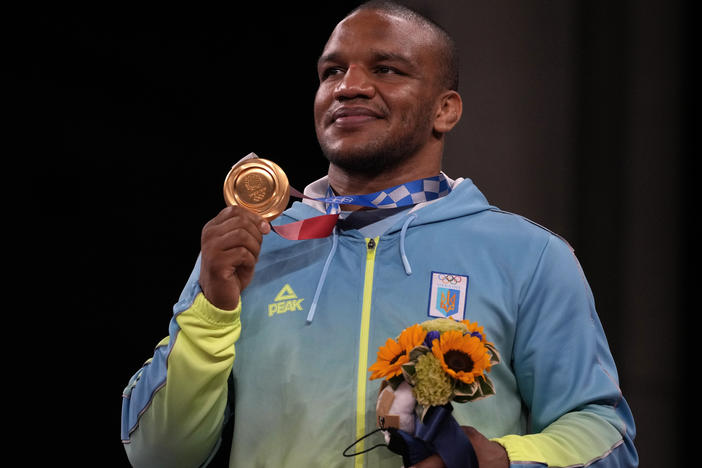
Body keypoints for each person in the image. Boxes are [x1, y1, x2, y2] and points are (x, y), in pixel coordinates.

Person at [120, 1, 638, 467]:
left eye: (386, 69)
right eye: (332, 72)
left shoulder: (529, 256)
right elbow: (159, 454)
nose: (348, 86)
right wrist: (212, 312)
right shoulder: (252, 249)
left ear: (445, 109)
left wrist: (502, 459)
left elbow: (602, 434)